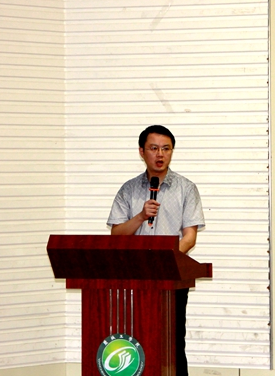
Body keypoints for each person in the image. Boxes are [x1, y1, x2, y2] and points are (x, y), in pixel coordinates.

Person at [107, 124, 205, 376]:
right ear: (142, 152)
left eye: (166, 149)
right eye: (154, 148)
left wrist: (163, 263)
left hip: (172, 277)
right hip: (134, 277)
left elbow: (190, 237)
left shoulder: (186, 188)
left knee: (172, 342)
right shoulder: (128, 190)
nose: (160, 154)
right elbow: (117, 235)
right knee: (134, 340)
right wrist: (140, 216)